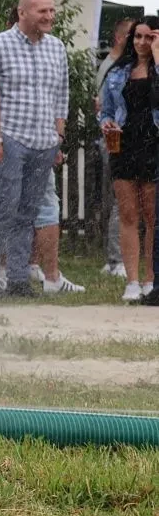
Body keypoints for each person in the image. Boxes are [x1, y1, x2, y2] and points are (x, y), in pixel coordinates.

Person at [0, 0, 70, 299]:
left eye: (51, 10)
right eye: (42, 11)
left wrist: (58, 137)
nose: (49, 16)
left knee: (28, 212)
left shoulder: (57, 48)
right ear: (22, 13)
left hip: (44, 142)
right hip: (10, 138)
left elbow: (61, 96)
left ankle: (18, 279)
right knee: (3, 208)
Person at [97, 15, 158, 302]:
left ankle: (151, 278)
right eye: (138, 36)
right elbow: (106, 110)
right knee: (129, 214)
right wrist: (106, 123)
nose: (142, 42)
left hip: (153, 145)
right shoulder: (119, 71)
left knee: (153, 217)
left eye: (149, 37)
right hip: (124, 145)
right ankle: (132, 280)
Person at [96, 17, 134, 280]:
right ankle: (115, 259)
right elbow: (104, 107)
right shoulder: (113, 68)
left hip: (123, 140)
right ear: (121, 38)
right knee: (122, 201)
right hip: (115, 139)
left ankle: (117, 258)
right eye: (133, 36)